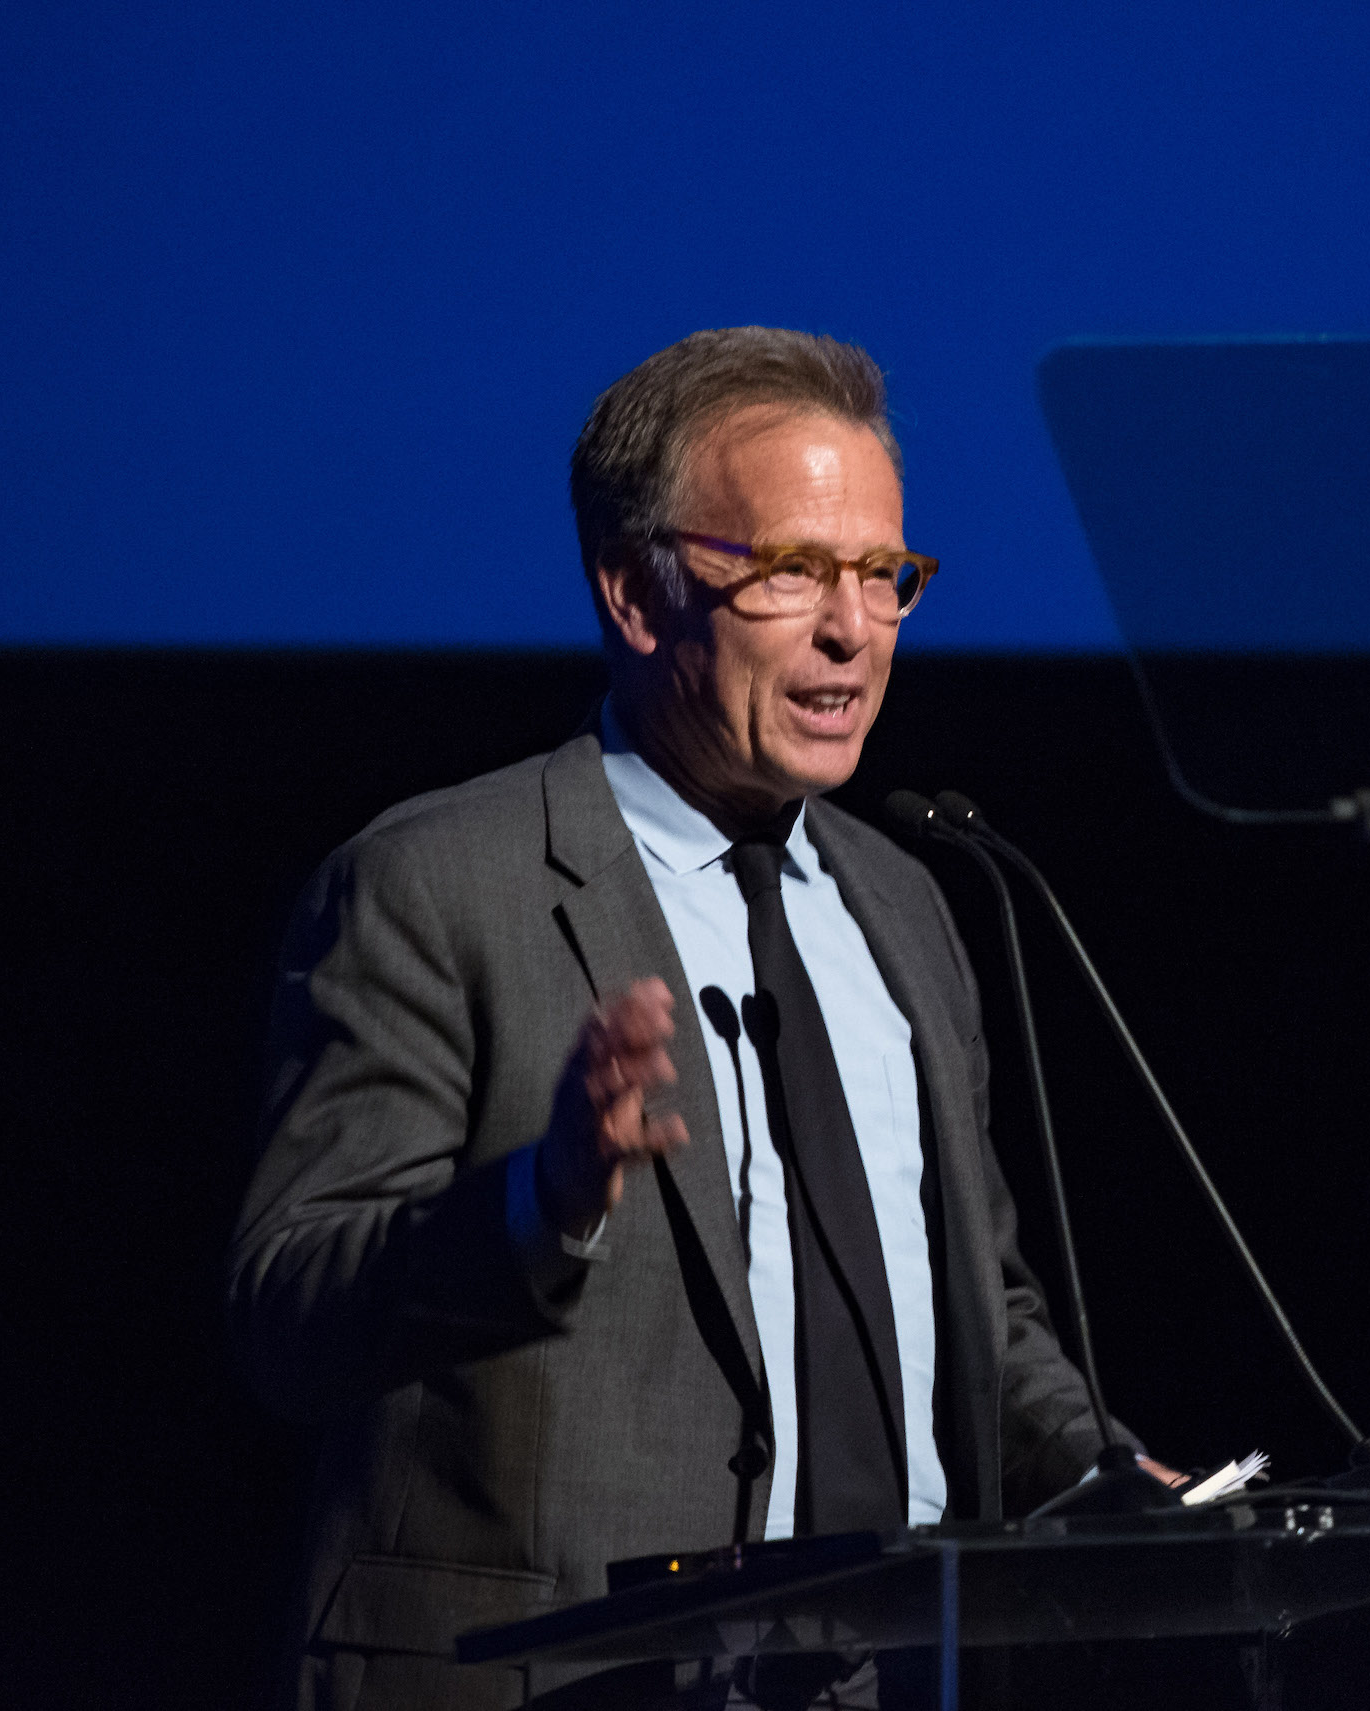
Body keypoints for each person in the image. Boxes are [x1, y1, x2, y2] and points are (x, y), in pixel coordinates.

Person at [229, 327, 1155, 1711]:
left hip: (888, 1677)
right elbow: (287, 1314)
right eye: (793, 571)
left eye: (884, 575)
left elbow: (977, 1308)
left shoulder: (908, 906)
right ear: (634, 592)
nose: (854, 630)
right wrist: (543, 1202)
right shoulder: (436, 887)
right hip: (554, 1680)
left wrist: (1111, 1475)